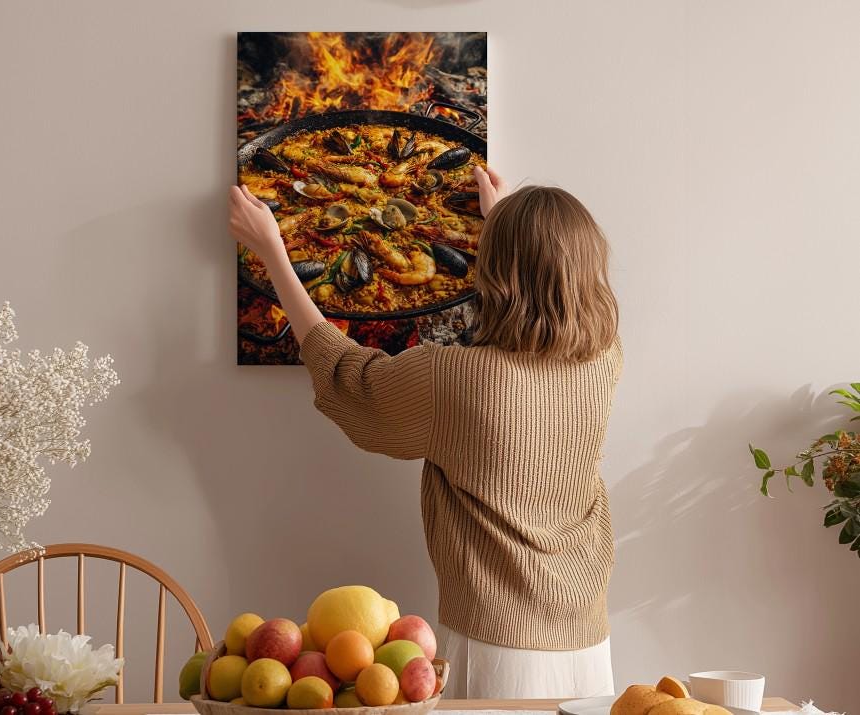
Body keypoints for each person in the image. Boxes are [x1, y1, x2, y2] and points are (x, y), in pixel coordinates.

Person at [228, 166, 622, 699]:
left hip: (496, 642)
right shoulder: (604, 359)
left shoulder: (454, 377)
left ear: (496, 269)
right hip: (588, 639)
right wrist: (503, 224)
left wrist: (272, 250)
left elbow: (348, 375)